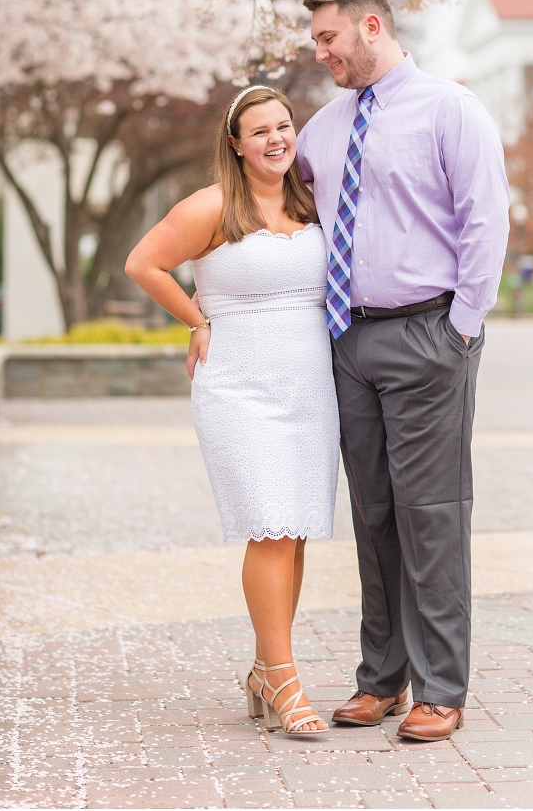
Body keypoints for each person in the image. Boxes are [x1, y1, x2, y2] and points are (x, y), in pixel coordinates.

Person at [297, 0, 510, 742]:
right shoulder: (322, 129)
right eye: (316, 40)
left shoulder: (450, 109)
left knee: (432, 514)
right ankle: (381, 679)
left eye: (329, 38)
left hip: (429, 331)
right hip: (350, 339)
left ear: (372, 26)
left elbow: (486, 216)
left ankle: (441, 686)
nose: (321, 52)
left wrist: (462, 326)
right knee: (375, 513)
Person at [125, 86, 340, 736]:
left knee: (295, 530)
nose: (276, 138)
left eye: (284, 125)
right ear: (236, 143)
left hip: (310, 390)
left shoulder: (312, 202)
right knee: (270, 526)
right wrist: (196, 318)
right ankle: (284, 679)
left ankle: (263, 667)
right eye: (260, 130)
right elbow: (143, 261)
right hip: (240, 388)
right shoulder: (216, 205)